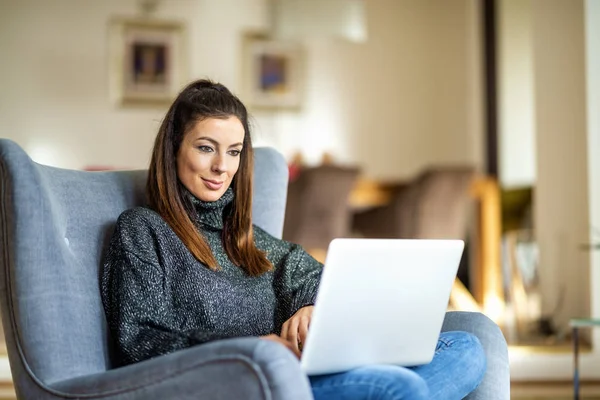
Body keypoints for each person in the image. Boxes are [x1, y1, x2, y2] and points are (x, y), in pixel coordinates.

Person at [101, 79, 487, 399]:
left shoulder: (247, 239)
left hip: (302, 376)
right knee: (401, 386)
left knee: (468, 350)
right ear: (173, 150)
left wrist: (310, 305)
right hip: (244, 385)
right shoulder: (143, 230)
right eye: (206, 148)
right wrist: (251, 348)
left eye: (233, 152)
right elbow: (140, 344)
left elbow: (313, 274)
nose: (222, 166)